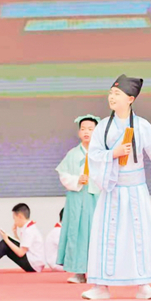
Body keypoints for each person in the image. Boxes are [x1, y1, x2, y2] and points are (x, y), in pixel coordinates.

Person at [83, 74, 151, 300]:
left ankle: (143, 284)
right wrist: (113, 154)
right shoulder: (103, 127)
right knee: (106, 235)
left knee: (140, 235)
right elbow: (93, 156)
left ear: (130, 99)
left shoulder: (141, 125)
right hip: (112, 190)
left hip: (135, 190)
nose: (112, 97)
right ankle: (101, 286)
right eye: (111, 93)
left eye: (117, 94)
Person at [56, 114, 101, 283]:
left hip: (96, 198)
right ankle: (79, 272)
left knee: (95, 232)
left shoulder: (102, 153)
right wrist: (76, 180)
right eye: (83, 129)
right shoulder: (73, 154)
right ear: (79, 132)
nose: (86, 132)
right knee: (77, 232)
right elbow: (63, 174)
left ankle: (97, 273)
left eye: (90, 129)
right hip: (77, 198)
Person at [0, 203, 46, 275]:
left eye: (14, 218)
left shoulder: (28, 231)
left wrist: (6, 240)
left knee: (5, 244)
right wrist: (15, 233)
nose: (14, 221)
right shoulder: (29, 228)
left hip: (33, 265)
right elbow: (22, 245)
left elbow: (21, 253)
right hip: (34, 263)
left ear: (20, 216)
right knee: (7, 242)